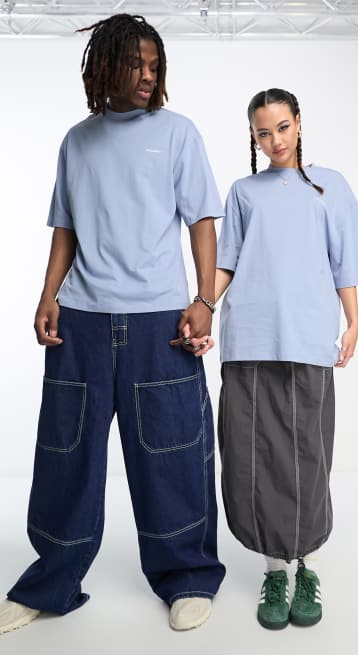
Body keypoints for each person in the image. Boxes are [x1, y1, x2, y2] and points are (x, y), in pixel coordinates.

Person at [0, 13, 224, 636]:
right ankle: (52, 581)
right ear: (105, 67)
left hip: (160, 322)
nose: (148, 75)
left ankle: (186, 576)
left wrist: (204, 300)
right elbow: (65, 229)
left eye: (155, 65)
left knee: (173, 454)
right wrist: (47, 295)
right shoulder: (77, 141)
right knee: (66, 454)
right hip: (82, 322)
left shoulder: (178, 133)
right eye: (135, 64)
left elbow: (202, 222)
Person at [212, 88, 358, 629]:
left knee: (308, 452)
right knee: (253, 454)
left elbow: (344, 258)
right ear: (253, 137)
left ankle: (307, 567)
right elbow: (227, 261)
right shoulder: (243, 192)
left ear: (299, 123)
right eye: (263, 133)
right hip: (249, 337)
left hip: (308, 337)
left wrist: (353, 321)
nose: (275, 140)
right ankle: (273, 571)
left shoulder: (330, 186)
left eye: (282, 128)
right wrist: (202, 306)